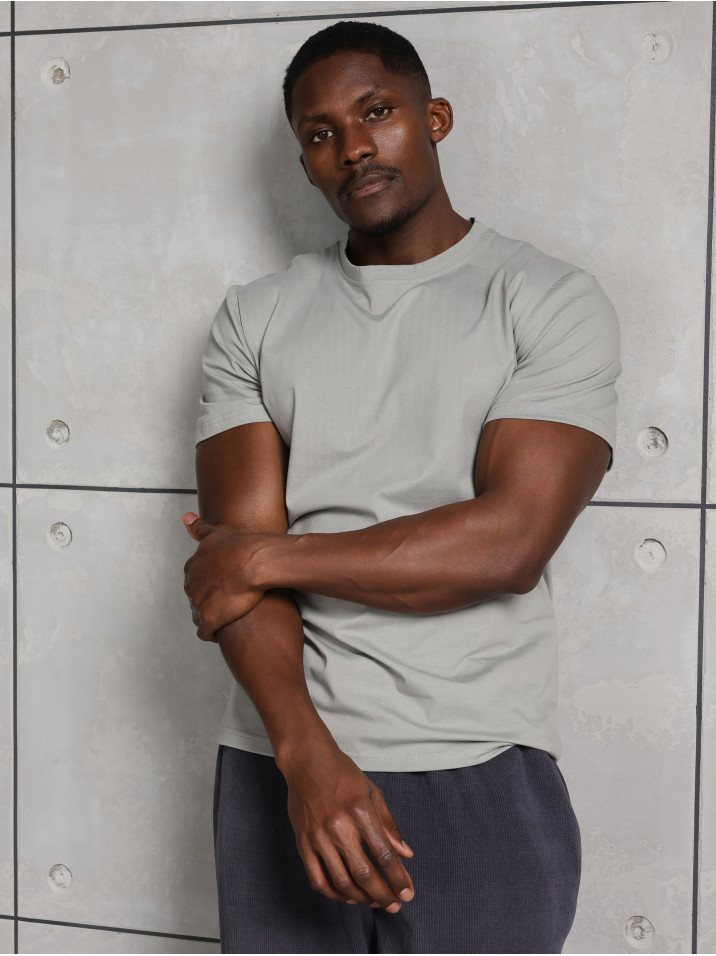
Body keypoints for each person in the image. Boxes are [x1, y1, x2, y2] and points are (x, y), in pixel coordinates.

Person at [182, 19, 620, 955]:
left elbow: (507, 544)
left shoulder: (545, 299)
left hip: (476, 764)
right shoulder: (255, 319)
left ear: (435, 117)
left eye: (375, 112)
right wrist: (305, 755)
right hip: (279, 759)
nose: (352, 147)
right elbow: (229, 582)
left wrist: (265, 556)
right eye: (320, 133)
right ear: (305, 161)